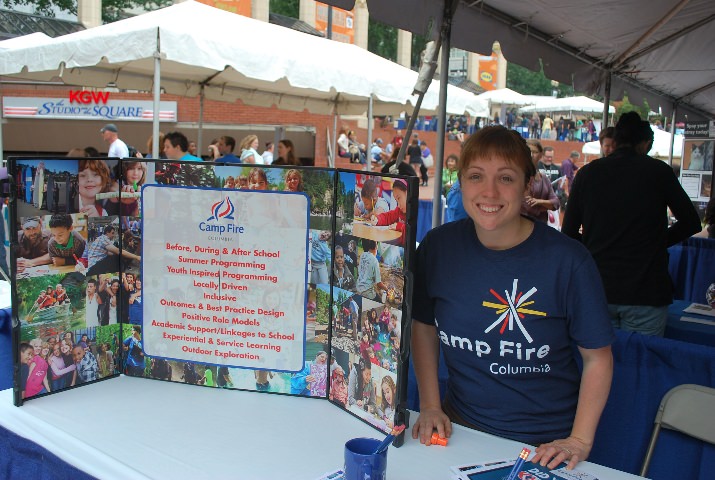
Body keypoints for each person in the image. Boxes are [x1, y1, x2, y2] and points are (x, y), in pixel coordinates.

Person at [411, 126, 615, 470]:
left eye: (505, 178)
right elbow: (423, 326)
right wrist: (431, 405)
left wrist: (579, 440)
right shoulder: (438, 247)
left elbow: (598, 358)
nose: (489, 192)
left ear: (527, 184)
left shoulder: (568, 261)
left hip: (544, 446)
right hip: (459, 431)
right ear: (460, 181)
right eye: (476, 176)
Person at [563, 112, 701, 336]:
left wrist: (593, 246)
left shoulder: (588, 173)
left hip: (598, 287)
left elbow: (568, 233)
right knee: (641, 364)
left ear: (615, 141)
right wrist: (656, 243)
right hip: (646, 290)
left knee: (596, 365)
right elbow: (691, 222)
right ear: (645, 143)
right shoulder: (658, 172)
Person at [522, 139, 560, 223]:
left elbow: (556, 203)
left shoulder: (544, 179)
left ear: (540, 155)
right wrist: (543, 206)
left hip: (539, 227)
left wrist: (540, 201)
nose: (531, 155)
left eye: (534, 152)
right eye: (528, 151)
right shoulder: (514, 176)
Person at [370, 177, 408, 245]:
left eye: (399, 198)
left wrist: (399, 226)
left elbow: (412, 232)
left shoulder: (416, 213)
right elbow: (388, 216)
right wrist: (377, 220)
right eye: (396, 201)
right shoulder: (399, 210)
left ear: (408, 193)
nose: (398, 205)